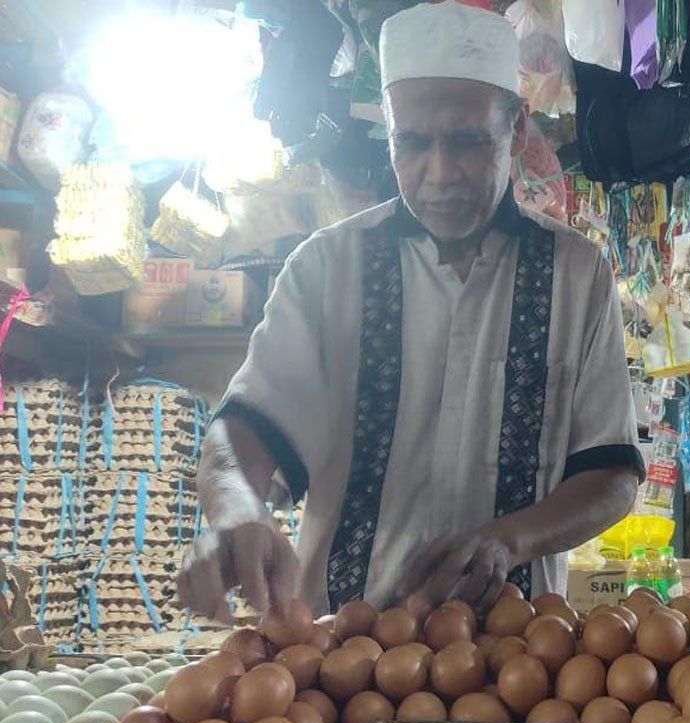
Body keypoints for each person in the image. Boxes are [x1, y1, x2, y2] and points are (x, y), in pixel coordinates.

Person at [178, 2, 643, 621]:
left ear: (519, 130)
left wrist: (509, 539)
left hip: (520, 664)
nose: (439, 172)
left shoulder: (579, 275)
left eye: (468, 142)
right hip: (336, 663)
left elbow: (611, 472)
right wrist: (237, 510)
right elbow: (246, 429)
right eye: (413, 143)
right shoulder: (324, 268)